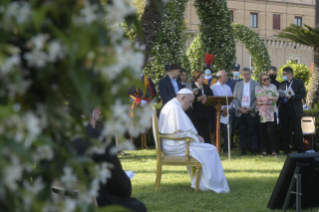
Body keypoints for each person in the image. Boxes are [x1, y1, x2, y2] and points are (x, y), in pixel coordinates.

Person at [158, 88, 230, 193]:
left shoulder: (173, 105)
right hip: (176, 145)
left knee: (208, 148)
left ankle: (202, 183)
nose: (191, 105)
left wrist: (195, 136)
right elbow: (180, 132)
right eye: (190, 101)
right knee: (212, 149)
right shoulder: (174, 107)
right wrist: (196, 138)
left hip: (175, 143)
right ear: (183, 98)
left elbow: (180, 130)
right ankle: (212, 184)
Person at [73, 126, 147, 211]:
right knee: (138, 207)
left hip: (58, 202)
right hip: (90, 203)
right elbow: (121, 187)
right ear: (93, 114)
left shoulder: (55, 135)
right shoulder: (96, 136)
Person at [278, 67, 306, 154]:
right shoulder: (282, 83)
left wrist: (292, 97)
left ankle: (300, 150)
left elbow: (303, 93)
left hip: (294, 109)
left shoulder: (298, 82)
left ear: (290, 74)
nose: (283, 76)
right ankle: (286, 150)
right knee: (284, 130)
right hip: (284, 108)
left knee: (297, 130)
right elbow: (279, 95)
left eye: (284, 74)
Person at [233, 68, 259, 156]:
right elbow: (234, 98)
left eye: (247, 74)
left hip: (250, 111)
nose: (246, 76)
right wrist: (238, 108)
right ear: (241, 75)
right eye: (244, 74)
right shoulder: (238, 85)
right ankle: (243, 149)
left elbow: (257, 98)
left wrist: (251, 108)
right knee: (242, 131)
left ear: (250, 74)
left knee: (253, 131)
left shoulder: (256, 84)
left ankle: (254, 149)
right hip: (241, 112)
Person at [255, 72, 279, 157]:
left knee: (271, 132)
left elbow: (276, 98)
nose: (267, 80)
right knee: (262, 132)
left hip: (271, 112)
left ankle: (274, 151)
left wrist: (265, 100)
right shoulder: (257, 88)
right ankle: (263, 151)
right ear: (261, 81)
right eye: (265, 79)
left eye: (268, 78)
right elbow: (258, 99)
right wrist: (270, 98)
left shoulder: (273, 87)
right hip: (261, 113)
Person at [130, 73, 157, 149]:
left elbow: (150, 93)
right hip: (134, 104)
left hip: (145, 104)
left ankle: (144, 144)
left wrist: (147, 100)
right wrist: (139, 101)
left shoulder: (147, 79)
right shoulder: (131, 77)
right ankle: (131, 144)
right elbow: (130, 94)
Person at [211, 70, 233, 154]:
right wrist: (221, 109)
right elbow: (213, 101)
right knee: (217, 131)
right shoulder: (213, 87)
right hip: (218, 113)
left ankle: (226, 149)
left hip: (227, 112)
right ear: (219, 77)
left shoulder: (227, 87)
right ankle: (217, 148)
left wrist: (227, 108)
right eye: (225, 76)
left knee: (228, 131)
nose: (227, 78)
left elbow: (231, 100)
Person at [191, 70, 214, 144]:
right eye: (202, 77)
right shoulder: (192, 86)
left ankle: (206, 146)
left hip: (205, 114)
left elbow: (212, 97)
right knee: (197, 131)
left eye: (204, 77)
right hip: (195, 114)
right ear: (197, 78)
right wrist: (198, 99)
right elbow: (189, 99)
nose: (204, 78)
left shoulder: (206, 87)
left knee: (205, 132)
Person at [226, 64, 242, 150]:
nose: (236, 72)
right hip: (231, 108)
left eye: (237, 70)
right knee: (230, 129)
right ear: (232, 71)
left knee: (241, 128)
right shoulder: (228, 82)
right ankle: (230, 146)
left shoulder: (242, 81)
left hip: (240, 107)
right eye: (234, 70)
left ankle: (241, 146)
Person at [203, 53, 217, 143]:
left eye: (209, 69)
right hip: (203, 106)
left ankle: (213, 141)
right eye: (206, 69)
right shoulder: (201, 79)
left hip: (212, 105)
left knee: (213, 125)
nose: (207, 70)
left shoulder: (215, 80)